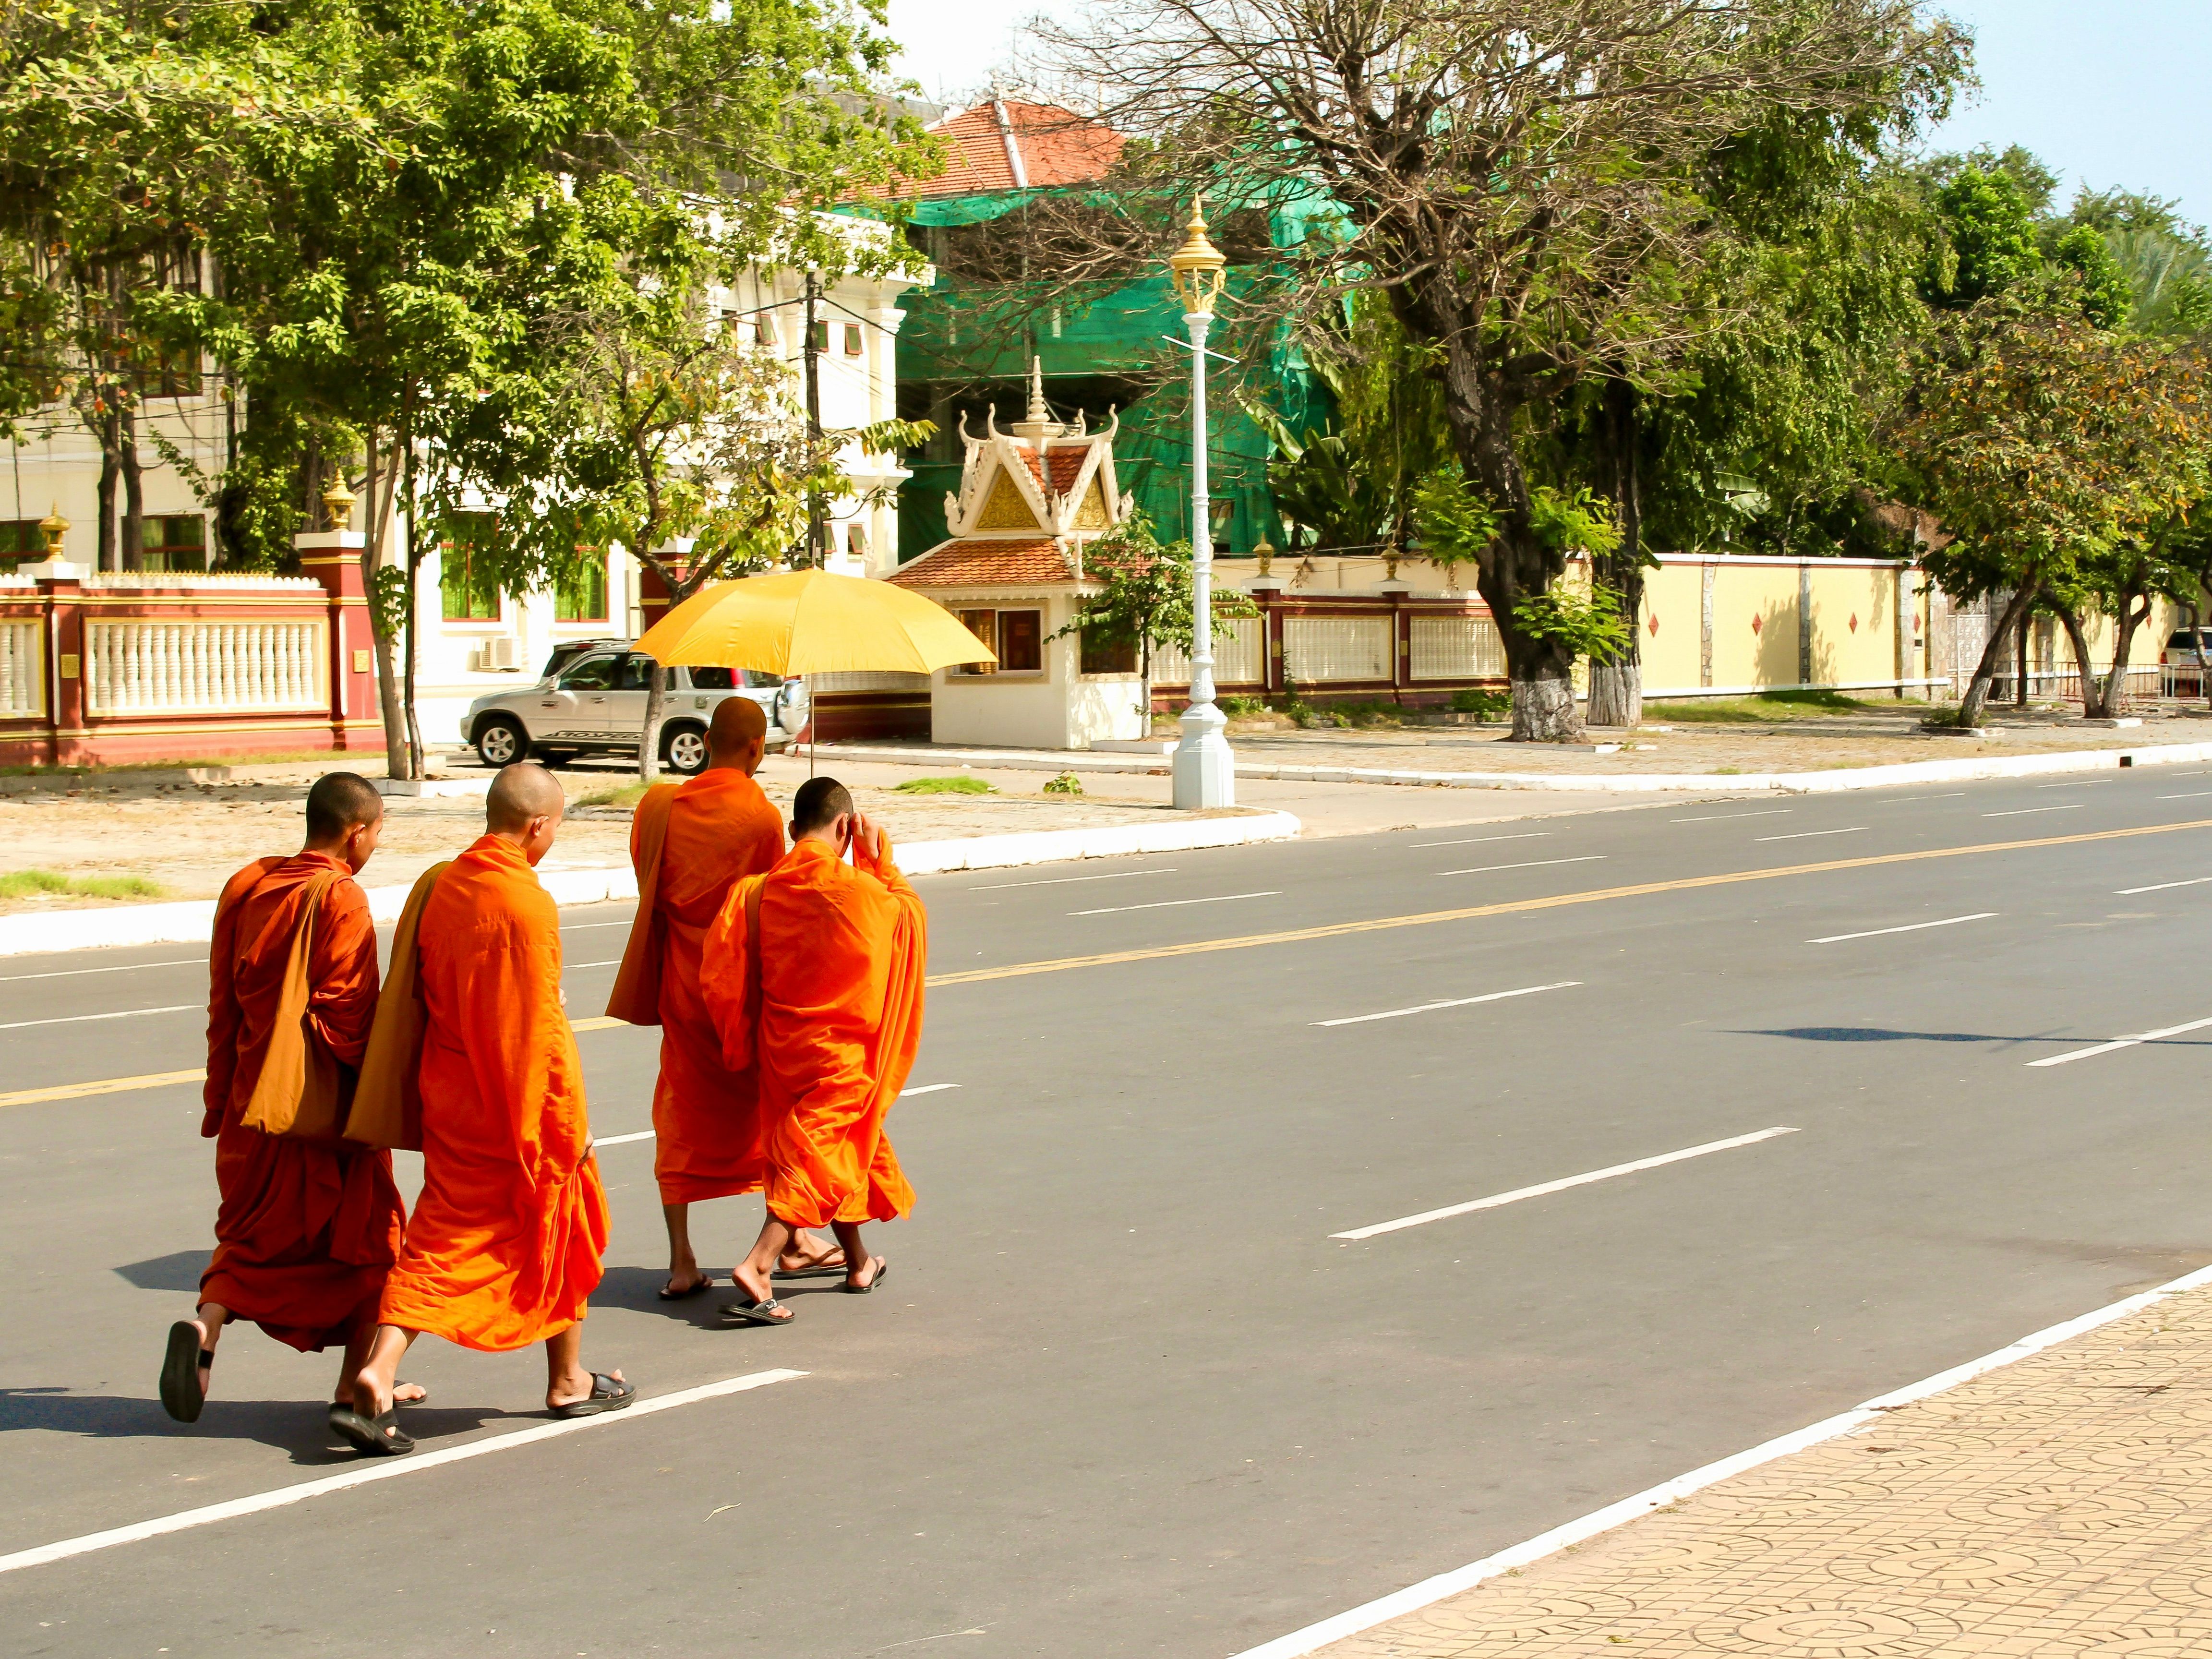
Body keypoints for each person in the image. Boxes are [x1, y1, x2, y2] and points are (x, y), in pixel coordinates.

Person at [334, 763, 629, 1456]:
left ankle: (377, 1371)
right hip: (520, 1107)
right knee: (560, 1223)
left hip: (454, 1099)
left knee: (438, 1244)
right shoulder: (525, 903)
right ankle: (567, 1382)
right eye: (555, 826)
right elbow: (538, 1030)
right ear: (537, 826)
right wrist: (568, 1123)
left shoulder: (445, 885)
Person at [163, 771, 424, 1430]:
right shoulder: (342, 898)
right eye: (377, 835)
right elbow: (346, 1014)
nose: (375, 848)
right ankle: (354, 1384)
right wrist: (383, 1086)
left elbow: (223, 1001)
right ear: (356, 831)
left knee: (251, 1237)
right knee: (371, 1241)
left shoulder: (249, 885)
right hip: (320, 1107)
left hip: (255, 1098)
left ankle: (206, 1331)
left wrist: (220, 1095)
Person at [607, 697, 845, 1298]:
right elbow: (778, 901)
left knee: (680, 1111)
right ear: (758, 749)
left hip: (681, 981)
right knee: (770, 1106)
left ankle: (682, 1259)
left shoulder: (657, 806)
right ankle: (791, 1240)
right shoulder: (763, 820)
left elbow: (649, 879)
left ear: (708, 740)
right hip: (737, 979)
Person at [702, 777, 926, 1326]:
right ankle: (758, 1264)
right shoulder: (865, 892)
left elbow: (720, 975)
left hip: (783, 1048)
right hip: (841, 1055)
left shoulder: (757, 890)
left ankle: (857, 1262)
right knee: (820, 1154)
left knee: (838, 1147)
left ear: (790, 828)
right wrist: (880, 862)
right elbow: (910, 921)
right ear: (847, 827)